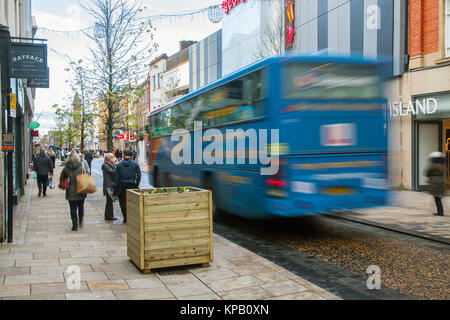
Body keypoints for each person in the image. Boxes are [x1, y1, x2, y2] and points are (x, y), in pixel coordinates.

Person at [60, 152, 90, 231]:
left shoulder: (66, 168)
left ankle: (75, 224)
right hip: (81, 190)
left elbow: (62, 179)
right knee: (81, 206)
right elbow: (87, 175)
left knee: (72, 208)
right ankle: (81, 221)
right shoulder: (81, 166)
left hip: (70, 191)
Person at [113, 149, 141, 223]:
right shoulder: (135, 164)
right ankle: (132, 217)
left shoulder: (119, 165)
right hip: (132, 185)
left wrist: (115, 190)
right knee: (132, 202)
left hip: (122, 186)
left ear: (123, 155)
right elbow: (139, 176)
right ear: (131, 155)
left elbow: (116, 179)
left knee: (123, 203)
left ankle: (125, 218)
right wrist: (136, 184)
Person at [425, 152, 446, 216]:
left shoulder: (433, 165)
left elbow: (427, 172)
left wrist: (429, 176)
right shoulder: (442, 165)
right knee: (438, 197)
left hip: (435, 183)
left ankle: (440, 212)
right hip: (442, 182)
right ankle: (440, 211)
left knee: (437, 198)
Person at [102, 153, 117, 221]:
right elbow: (113, 171)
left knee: (110, 201)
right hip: (108, 186)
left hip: (111, 185)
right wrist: (114, 164)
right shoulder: (105, 165)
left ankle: (109, 215)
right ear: (108, 158)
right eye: (112, 157)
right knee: (109, 201)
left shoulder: (109, 164)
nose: (113, 158)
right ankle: (109, 216)